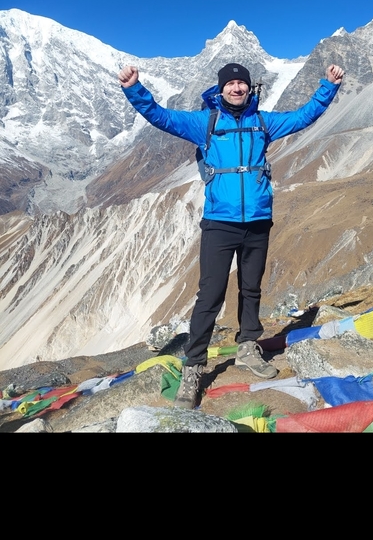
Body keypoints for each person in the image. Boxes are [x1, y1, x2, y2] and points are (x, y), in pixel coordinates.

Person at [118, 60, 344, 408]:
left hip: (257, 220)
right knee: (210, 294)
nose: (237, 88)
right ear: (221, 89)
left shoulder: (264, 122)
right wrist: (135, 89)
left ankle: (248, 347)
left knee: (251, 287)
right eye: (230, 84)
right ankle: (193, 367)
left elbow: (304, 116)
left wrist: (328, 86)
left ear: (250, 88)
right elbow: (161, 116)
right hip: (219, 223)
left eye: (242, 84)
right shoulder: (205, 123)